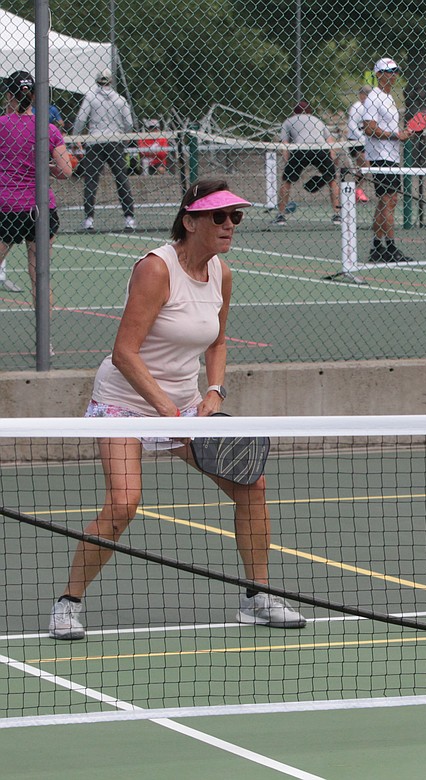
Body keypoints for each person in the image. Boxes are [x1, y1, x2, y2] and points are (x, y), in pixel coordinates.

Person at [47, 178, 306, 641]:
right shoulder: (156, 269)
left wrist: (215, 392)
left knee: (253, 484)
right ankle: (68, 604)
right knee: (124, 503)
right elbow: (125, 352)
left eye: (235, 217)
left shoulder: (222, 274)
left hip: (184, 406)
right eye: (218, 217)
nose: (229, 225)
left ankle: (256, 596)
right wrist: (168, 412)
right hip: (125, 401)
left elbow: (219, 341)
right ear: (190, 221)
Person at [0, 71, 73, 299]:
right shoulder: (48, 129)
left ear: (9, 95)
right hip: (40, 209)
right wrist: (45, 167)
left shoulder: (2, 125)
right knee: (39, 278)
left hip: (7, 208)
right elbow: (66, 171)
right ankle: (45, 333)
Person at [362, 57, 418, 264]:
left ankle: (377, 248)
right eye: (389, 71)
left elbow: (389, 130)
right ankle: (391, 248)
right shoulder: (373, 98)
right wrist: (396, 136)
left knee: (388, 201)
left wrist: (402, 134)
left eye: (396, 71)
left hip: (392, 156)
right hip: (380, 157)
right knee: (388, 202)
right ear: (378, 74)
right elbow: (369, 128)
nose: (394, 75)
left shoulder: (389, 98)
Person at [74, 68, 136, 232]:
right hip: (115, 140)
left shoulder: (91, 97)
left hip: (95, 140)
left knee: (91, 180)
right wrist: (125, 135)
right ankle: (129, 218)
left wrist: (75, 137)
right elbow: (129, 122)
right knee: (121, 178)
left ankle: (89, 219)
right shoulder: (120, 99)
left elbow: (81, 119)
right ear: (111, 81)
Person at [272, 100, 342, 227]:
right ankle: (337, 214)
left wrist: (288, 162)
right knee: (333, 181)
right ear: (310, 111)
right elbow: (330, 141)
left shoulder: (288, 121)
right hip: (320, 149)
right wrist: (331, 158)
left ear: (294, 111)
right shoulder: (317, 120)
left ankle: (281, 215)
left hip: (301, 149)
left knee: (286, 181)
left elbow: (285, 144)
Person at [346, 85, 372, 203]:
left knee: (362, 168)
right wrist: (362, 138)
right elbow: (352, 125)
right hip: (355, 142)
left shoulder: (369, 107)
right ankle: (356, 190)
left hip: (364, 142)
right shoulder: (356, 107)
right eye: (365, 94)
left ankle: (357, 191)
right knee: (365, 165)